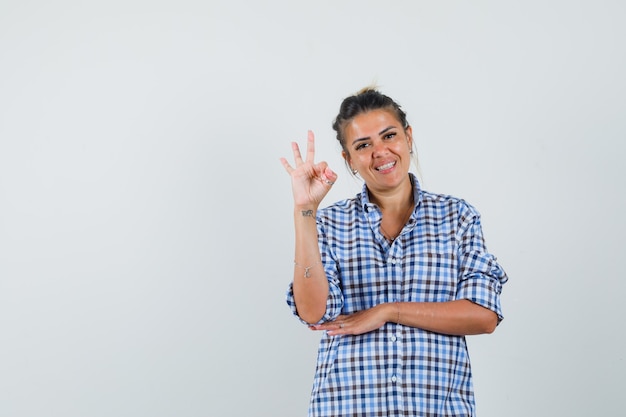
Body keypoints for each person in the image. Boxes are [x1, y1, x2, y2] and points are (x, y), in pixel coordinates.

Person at [280, 88, 508, 417]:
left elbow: (483, 315)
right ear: (349, 160)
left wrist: (389, 311)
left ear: (408, 137)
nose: (380, 152)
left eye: (389, 135)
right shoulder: (330, 223)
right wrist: (305, 211)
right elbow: (314, 312)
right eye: (363, 145)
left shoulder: (457, 216)